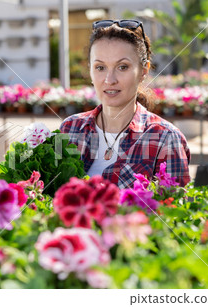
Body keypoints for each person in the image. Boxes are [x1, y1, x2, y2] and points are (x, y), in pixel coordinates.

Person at [60, 19, 190, 189]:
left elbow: (176, 211)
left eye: (122, 67)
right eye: (100, 68)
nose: (109, 80)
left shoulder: (165, 138)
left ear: (143, 71)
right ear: (90, 71)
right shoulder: (70, 128)